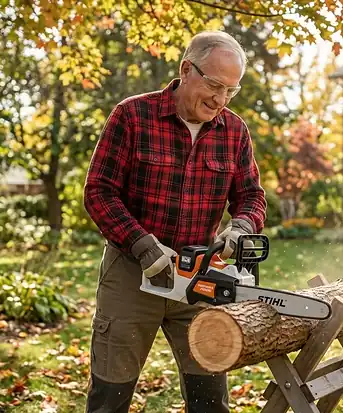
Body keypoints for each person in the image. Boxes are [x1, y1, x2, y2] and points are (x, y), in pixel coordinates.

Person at [82, 30, 267, 413]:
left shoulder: (234, 131)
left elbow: (251, 196)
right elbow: (99, 191)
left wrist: (241, 227)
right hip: (132, 274)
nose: (220, 99)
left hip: (200, 277)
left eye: (230, 91)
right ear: (186, 69)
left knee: (209, 399)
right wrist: (141, 243)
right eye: (214, 85)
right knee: (109, 398)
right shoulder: (133, 115)